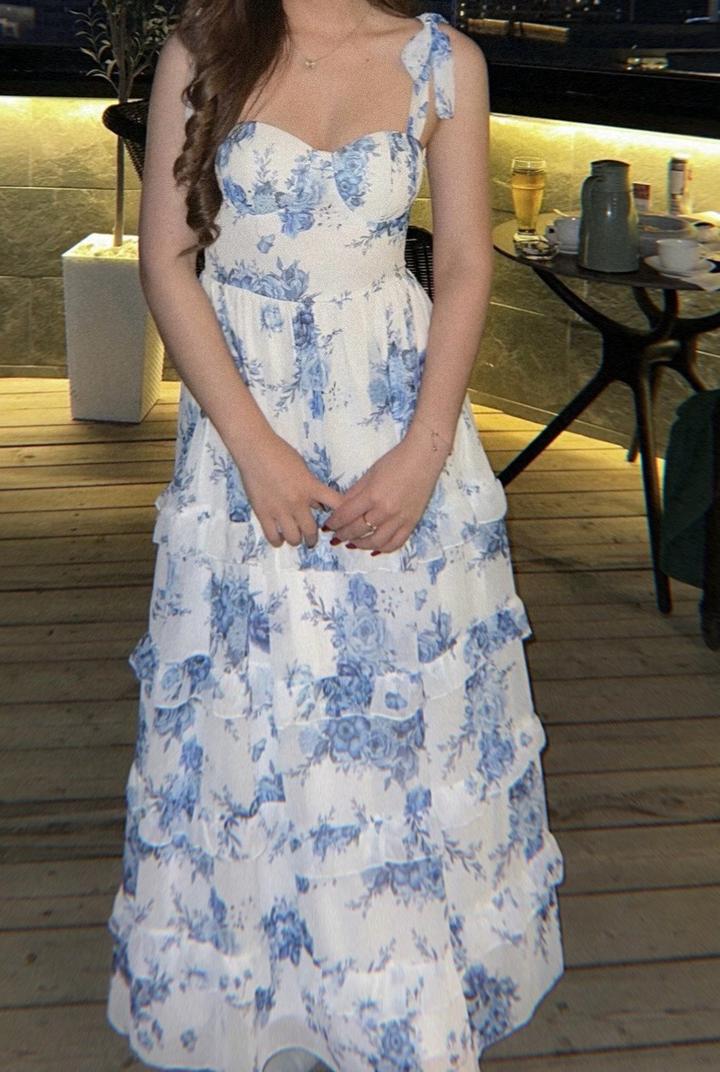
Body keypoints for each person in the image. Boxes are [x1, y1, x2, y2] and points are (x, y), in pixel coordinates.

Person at [105, 2, 564, 1070]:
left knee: (389, 715)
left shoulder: (444, 61)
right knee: (257, 710)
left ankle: (390, 999)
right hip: (244, 432)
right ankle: (275, 1000)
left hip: (394, 427)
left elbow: (464, 264)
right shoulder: (203, 49)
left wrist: (424, 451)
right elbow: (168, 262)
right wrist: (253, 448)